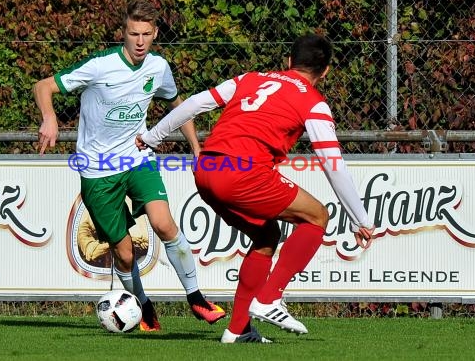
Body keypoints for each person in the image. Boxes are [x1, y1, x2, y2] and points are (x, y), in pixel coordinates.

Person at [136, 33, 375, 342]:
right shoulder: (313, 102)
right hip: (242, 173)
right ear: (325, 71)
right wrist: (360, 218)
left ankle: (237, 331)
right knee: (317, 217)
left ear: (289, 61)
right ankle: (270, 297)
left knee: (266, 235)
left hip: (208, 169)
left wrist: (154, 136)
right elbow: (332, 163)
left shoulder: (250, 78)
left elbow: (195, 103)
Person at [33, 0, 226, 332]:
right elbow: (43, 86)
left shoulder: (158, 67)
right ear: (123, 33)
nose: (139, 41)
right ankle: (144, 307)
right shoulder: (100, 65)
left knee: (165, 225)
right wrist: (49, 117)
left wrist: (196, 146)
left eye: (146, 34)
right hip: (97, 171)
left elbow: (177, 106)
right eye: (133, 33)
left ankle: (196, 298)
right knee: (123, 254)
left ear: (154, 35)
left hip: (137, 158)